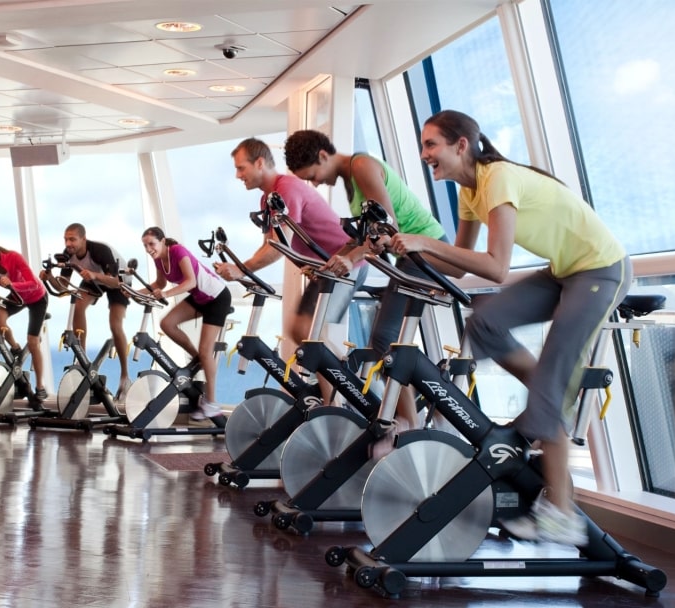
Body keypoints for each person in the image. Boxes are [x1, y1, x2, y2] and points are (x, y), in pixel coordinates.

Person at [388, 110, 632, 546]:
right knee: (485, 322)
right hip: (564, 272)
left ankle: (561, 514)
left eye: (431, 145)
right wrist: (401, 252)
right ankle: (548, 399)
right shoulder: (471, 191)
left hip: (601, 271)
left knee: (548, 384)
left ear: (461, 145)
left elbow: (496, 268)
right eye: (423, 146)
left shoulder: (496, 177)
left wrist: (424, 240)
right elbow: (461, 267)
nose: (425, 154)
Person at [283, 129, 447, 447]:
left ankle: (410, 427)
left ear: (322, 156)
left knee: (386, 341)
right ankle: (408, 420)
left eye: (313, 176)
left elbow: (387, 231)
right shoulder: (350, 178)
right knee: (384, 342)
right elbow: (360, 237)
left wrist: (354, 257)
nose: (315, 184)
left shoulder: (361, 167)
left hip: (427, 252)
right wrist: (331, 264)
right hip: (411, 257)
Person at [219, 137, 368, 401]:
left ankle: (340, 398)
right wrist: (245, 269)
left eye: (241, 168)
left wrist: (241, 269)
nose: (237, 175)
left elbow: (277, 248)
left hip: (347, 263)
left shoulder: (286, 188)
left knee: (309, 334)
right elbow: (269, 245)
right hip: (325, 268)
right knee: (300, 330)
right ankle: (335, 393)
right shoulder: (268, 200)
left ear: (260, 162)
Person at [140, 226, 232, 420]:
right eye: (145, 245)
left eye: (151, 244)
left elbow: (190, 282)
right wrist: (134, 293)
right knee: (168, 324)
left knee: (207, 351)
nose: (149, 249)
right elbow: (159, 284)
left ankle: (212, 404)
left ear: (163, 241)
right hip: (199, 298)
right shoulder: (158, 259)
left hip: (216, 297)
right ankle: (197, 357)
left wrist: (164, 295)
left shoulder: (178, 251)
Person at [51, 223, 132, 401]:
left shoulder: (99, 251)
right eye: (66, 239)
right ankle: (82, 358)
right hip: (91, 277)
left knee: (115, 325)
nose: (68, 243)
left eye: (72, 239)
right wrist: (48, 277)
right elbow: (63, 287)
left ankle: (125, 377)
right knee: (78, 306)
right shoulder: (68, 255)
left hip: (117, 280)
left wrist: (95, 275)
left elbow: (115, 282)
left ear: (83, 239)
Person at [0, 243, 50, 402]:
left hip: (36, 297)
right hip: (17, 296)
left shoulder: (14, 257)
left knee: (33, 343)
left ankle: (40, 387)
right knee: (0, 321)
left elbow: (33, 283)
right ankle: (16, 348)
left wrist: (12, 284)